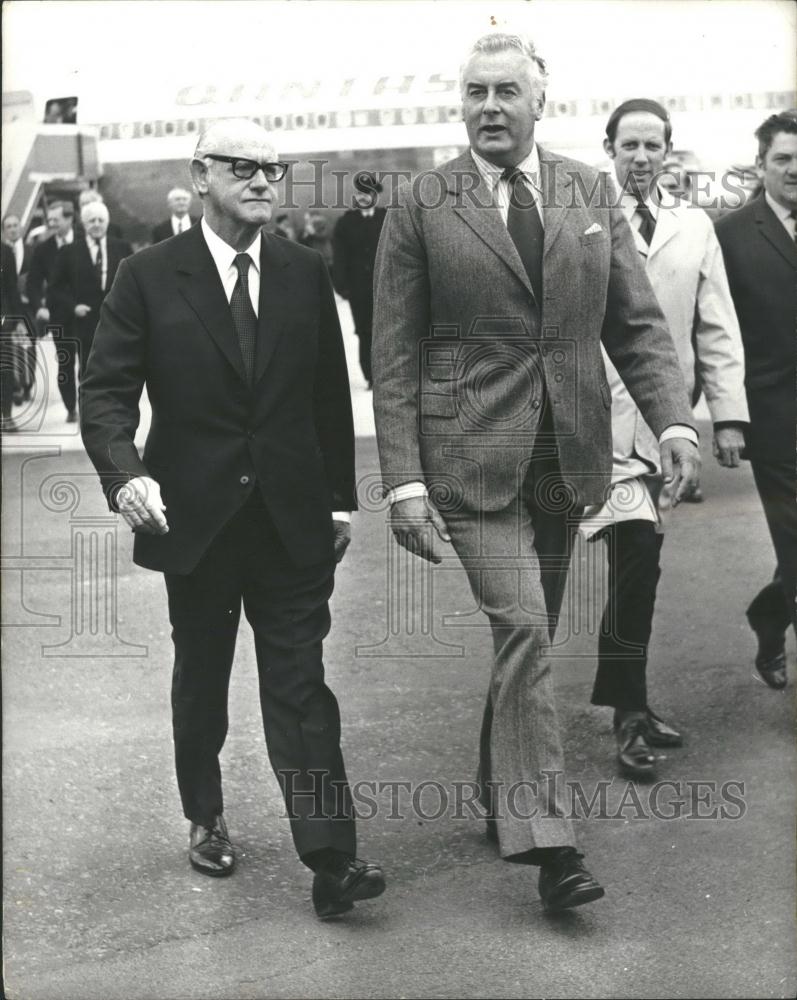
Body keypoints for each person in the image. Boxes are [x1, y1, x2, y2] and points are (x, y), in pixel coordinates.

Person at [372, 31, 700, 913]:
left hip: (569, 458)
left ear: (538, 103)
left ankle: (496, 787)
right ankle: (550, 845)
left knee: (530, 643)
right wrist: (401, 481)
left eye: (504, 93)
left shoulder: (587, 191)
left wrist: (672, 419)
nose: (487, 107)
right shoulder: (420, 202)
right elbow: (393, 355)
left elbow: (631, 323)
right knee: (522, 629)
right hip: (470, 461)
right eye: (474, 91)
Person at [79, 118, 385, 919]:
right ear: (201, 175)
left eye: (272, 170)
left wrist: (338, 498)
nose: (260, 182)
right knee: (203, 680)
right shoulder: (149, 275)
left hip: (290, 521)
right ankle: (205, 814)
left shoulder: (302, 271)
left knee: (299, 686)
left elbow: (326, 395)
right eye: (242, 168)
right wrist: (126, 477)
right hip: (195, 520)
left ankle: (331, 857)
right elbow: (106, 394)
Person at [580, 99, 749, 778]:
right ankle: (624, 715)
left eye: (653, 146)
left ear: (668, 152)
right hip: (593, 423)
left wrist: (728, 416)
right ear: (609, 148)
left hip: (662, 425)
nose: (641, 157)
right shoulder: (581, 219)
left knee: (638, 569)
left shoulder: (693, 225)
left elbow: (714, 322)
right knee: (630, 566)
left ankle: (629, 705)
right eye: (629, 145)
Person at [716, 110, 797, 690]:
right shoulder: (732, 234)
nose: (794, 170)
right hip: (776, 418)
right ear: (762, 165)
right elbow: (717, 330)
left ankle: (771, 616)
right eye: (783, 159)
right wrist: (725, 419)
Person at [47, 202, 132, 422]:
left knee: (109, 368)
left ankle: (105, 409)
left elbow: (133, 284)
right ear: (84, 224)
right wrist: (73, 306)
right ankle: (80, 409)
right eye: (91, 220)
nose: (96, 225)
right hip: (79, 322)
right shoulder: (69, 252)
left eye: (100, 220)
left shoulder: (121, 248)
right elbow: (55, 287)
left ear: (107, 222)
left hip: (111, 322)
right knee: (82, 368)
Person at [332, 171, 386, 389]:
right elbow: (339, 255)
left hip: (386, 287)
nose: (364, 197)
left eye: (368, 192)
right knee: (364, 331)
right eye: (360, 193)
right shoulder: (346, 222)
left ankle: (388, 375)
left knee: (388, 330)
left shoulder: (387, 217)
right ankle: (371, 376)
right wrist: (342, 286)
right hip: (359, 289)